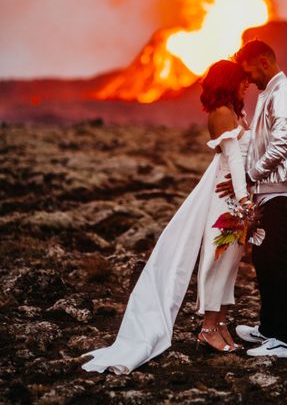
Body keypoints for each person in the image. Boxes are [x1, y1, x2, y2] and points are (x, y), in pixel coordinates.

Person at [81, 60, 253, 374]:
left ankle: (221, 324)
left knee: (230, 264)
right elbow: (234, 160)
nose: (247, 85)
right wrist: (244, 199)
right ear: (229, 81)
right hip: (227, 199)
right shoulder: (223, 114)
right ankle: (208, 328)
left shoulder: (235, 111)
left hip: (237, 196)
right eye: (242, 80)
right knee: (217, 261)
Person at [217, 39, 287, 358]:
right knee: (265, 260)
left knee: (279, 261)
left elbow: (280, 148)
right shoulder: (270, 93)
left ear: (264, 62)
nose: (248, 79)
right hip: (267, 192)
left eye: (250, 71)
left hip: (279, 191)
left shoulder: (283, 96)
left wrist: (249, 176)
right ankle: (269, 328)